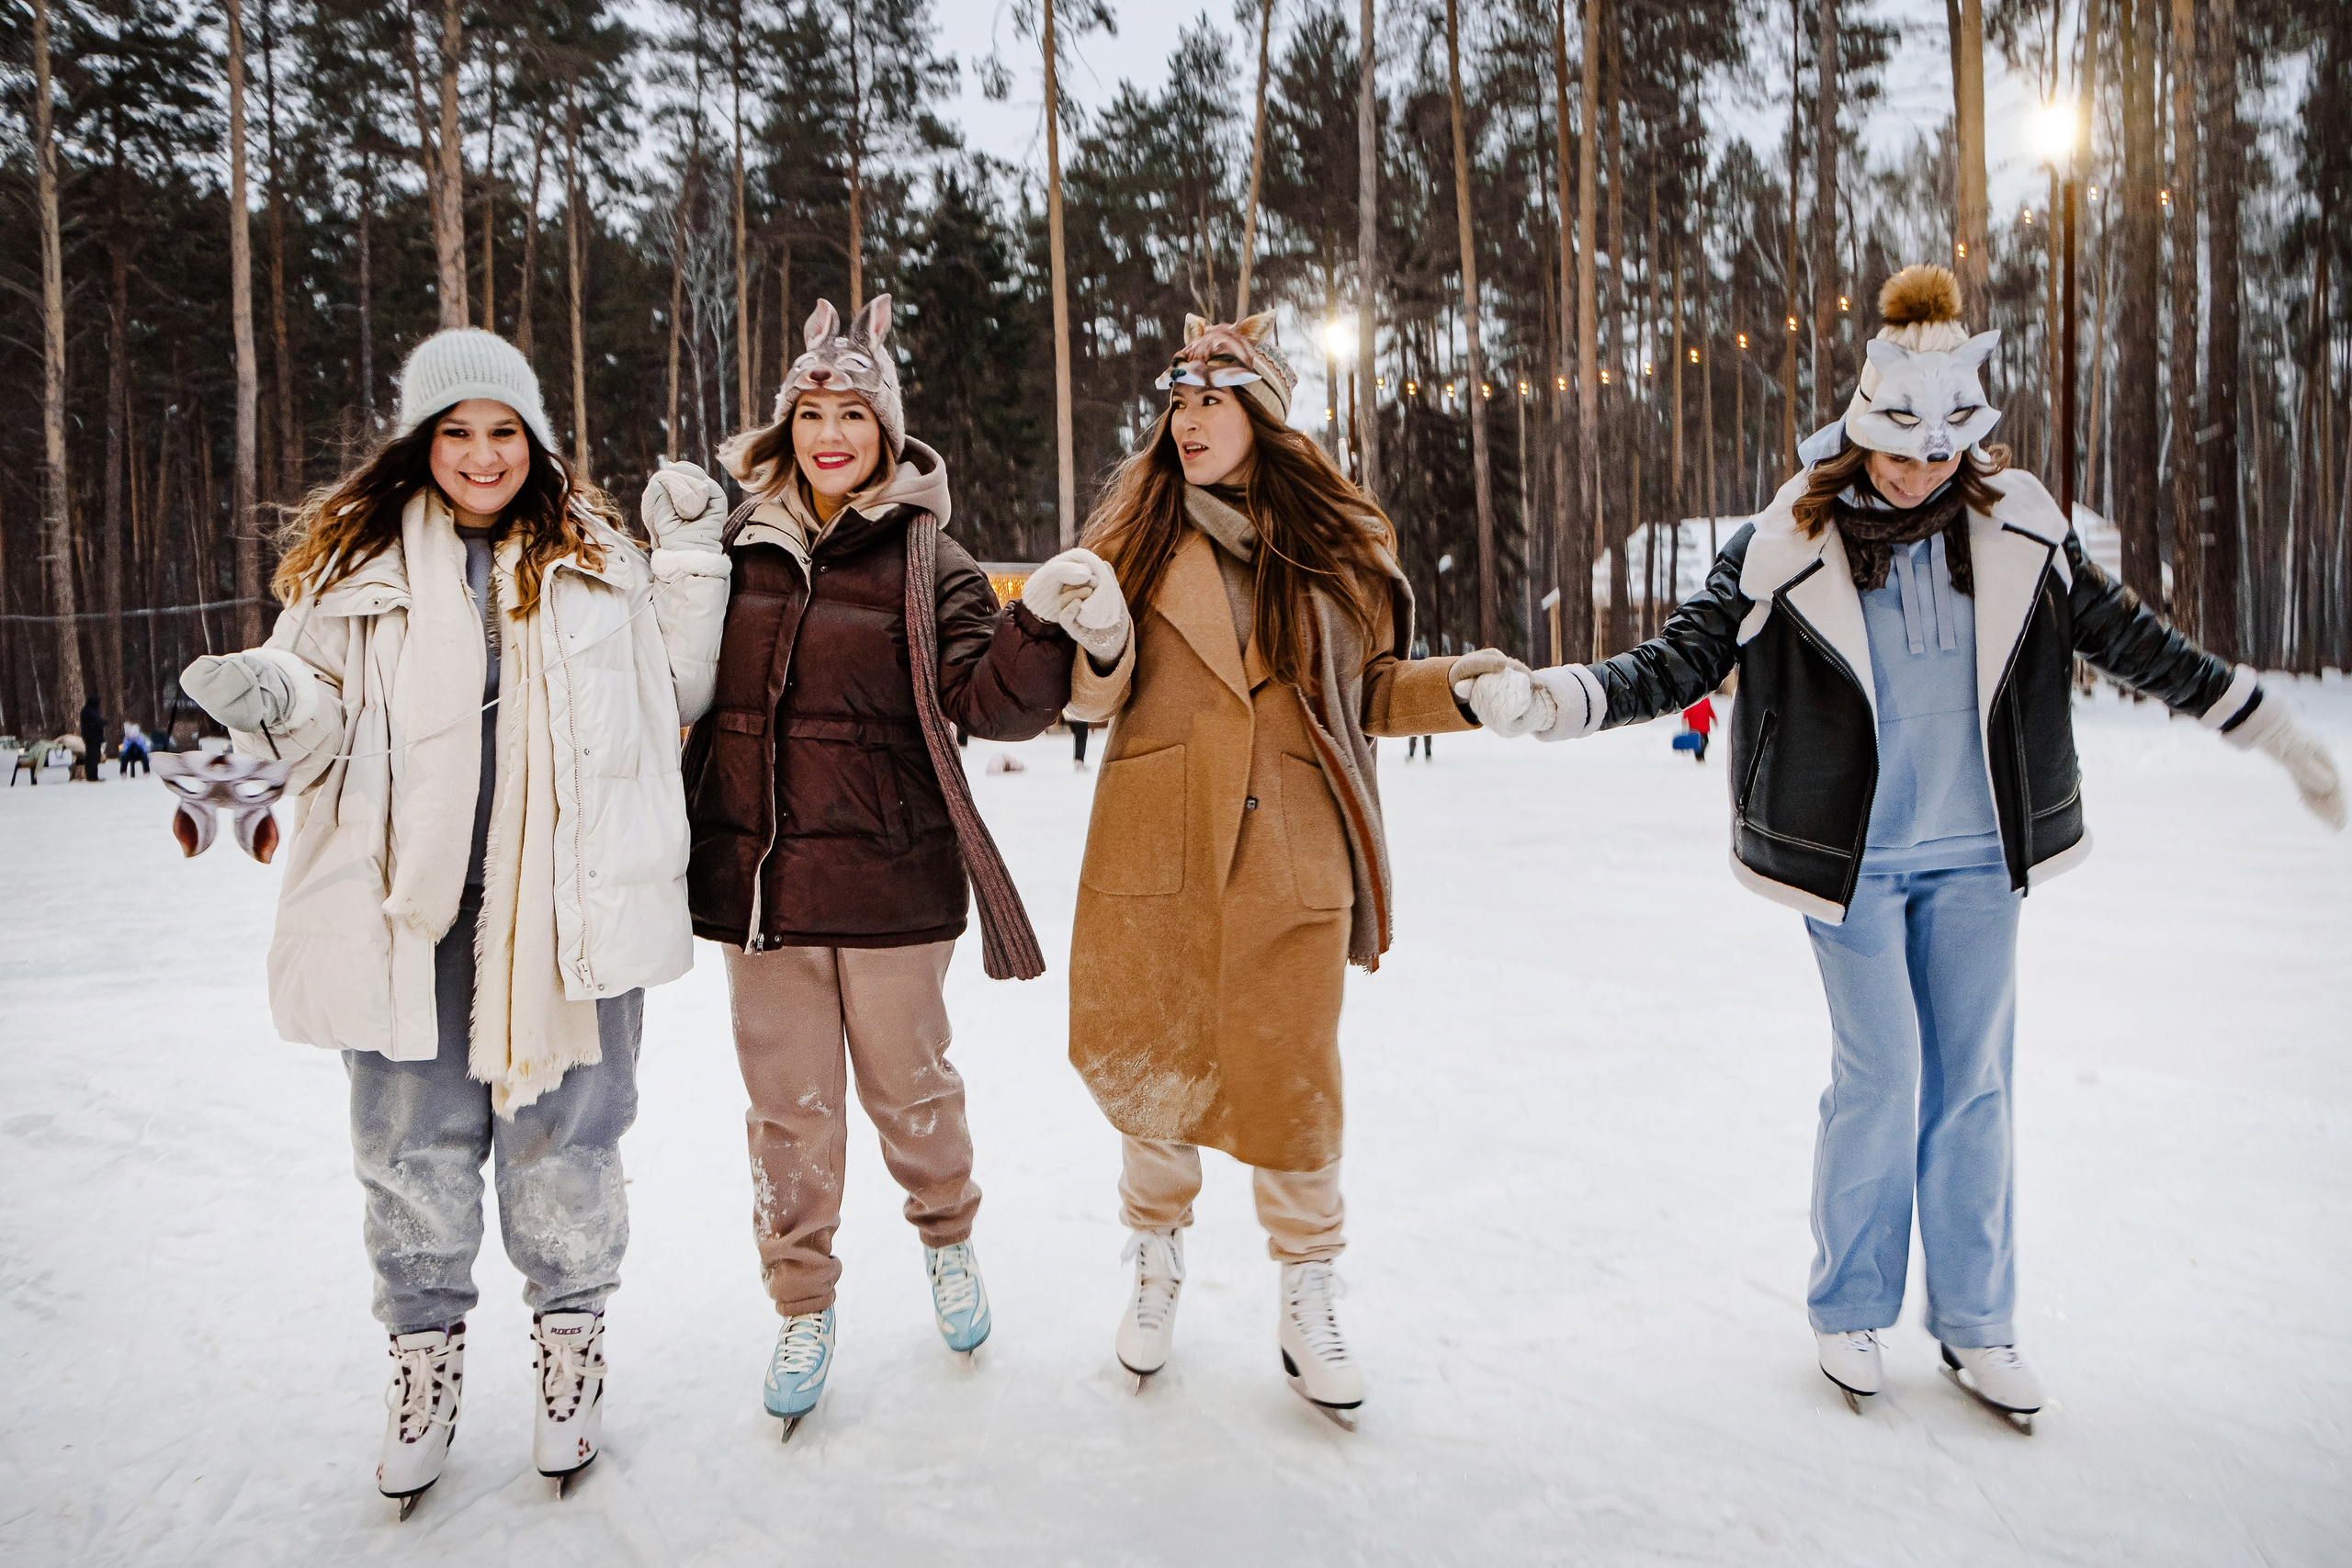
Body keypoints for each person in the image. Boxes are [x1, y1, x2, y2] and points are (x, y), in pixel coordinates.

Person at [1494, 267, 2345, 1427]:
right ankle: (1849, 1304)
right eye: (1899, 453)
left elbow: (2143, 646)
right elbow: (1677, 661)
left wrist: (2273, 728)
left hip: (1977, 858)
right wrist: (1555, 700)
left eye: (1941, 455)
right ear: (1858, 431)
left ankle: (1976, 1326)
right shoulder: (1785, 540)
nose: (1919, 472)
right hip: (1849, 864)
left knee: (1975, 1086)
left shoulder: (2019, 531)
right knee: (1884, 1074)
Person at [178, 328, 730, 1510]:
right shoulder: (356, 570)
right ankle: (422, 1361)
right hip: (406, 910)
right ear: (419, 446)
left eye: (503, 431)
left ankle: (570, 1348)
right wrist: (267, 698)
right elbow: (312, 703)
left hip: (560, 910)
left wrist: (689, 558)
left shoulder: (597, 558)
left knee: (568, 1142)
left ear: (535, 440)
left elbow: (678, 689)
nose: (482, 455)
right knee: (408, 1149)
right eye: (456, 433)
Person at [1059, 310, 1522, 1424]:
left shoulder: (1332, 552)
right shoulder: (1132, 536)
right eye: (1179, 402)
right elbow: (1083, 698)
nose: (1189, 422)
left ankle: (1307, 1286)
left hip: (1292, 848)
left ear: (1263, 417)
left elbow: (1370, 694)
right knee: (1155, 1067)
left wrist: (1466, 687)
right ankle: (1155, 1262)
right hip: (1158, 841)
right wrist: (1105, 640)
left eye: (1213, 401)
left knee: (1292, 1076)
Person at [693, 295, 1083, 1434]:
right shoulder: (735, 548)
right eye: (811, 410)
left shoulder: (933, 557)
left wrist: (1041, 626)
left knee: (911, 1093)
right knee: (787, 1112)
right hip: (761, 889)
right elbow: (672, 675)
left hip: (893, 888)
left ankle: (948, 1239)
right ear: (784, 429)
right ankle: (801, 1303)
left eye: (852, 412)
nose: (829, 432)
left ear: (888, 431)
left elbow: (990, 702)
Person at [79, 696, 106, 781]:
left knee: (90, 756)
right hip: (94, 737)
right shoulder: (91, 710)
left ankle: (91, 775)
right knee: (94, 757)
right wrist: (104, 722)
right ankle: (93, 776)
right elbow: (97, 721)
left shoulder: (84, 710)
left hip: (88, 737)